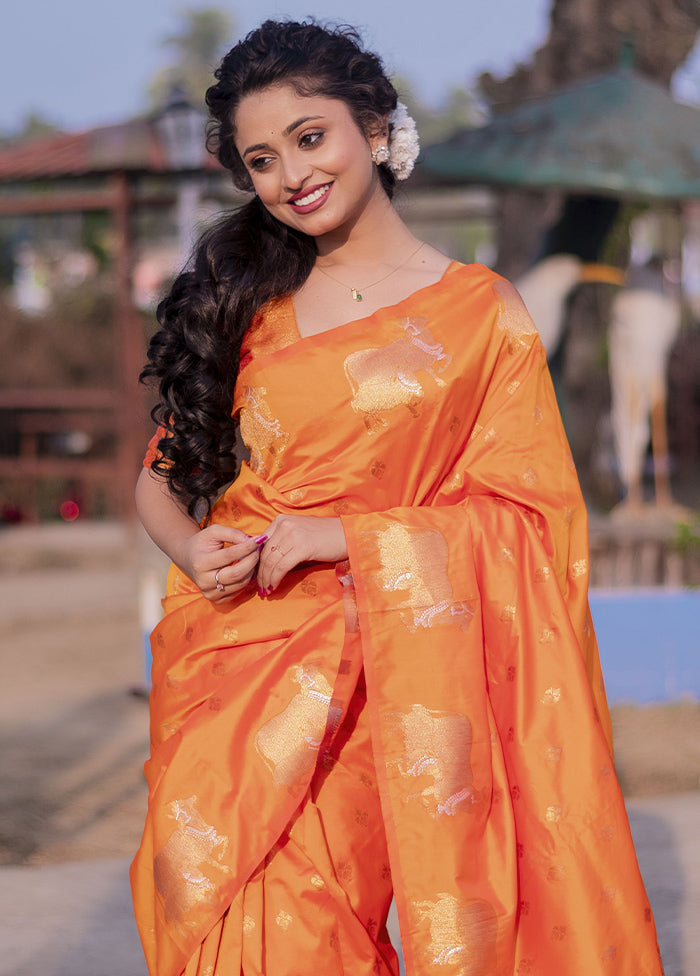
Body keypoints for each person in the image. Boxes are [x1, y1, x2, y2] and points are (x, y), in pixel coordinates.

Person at [130, 20, 664, 976]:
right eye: (261, 160)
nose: (291, 174)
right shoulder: (243, 296)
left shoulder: (478, 315)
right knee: (206, 913)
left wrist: (350, 537)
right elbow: (165, 474)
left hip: (381, 679)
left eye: (309, 136)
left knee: (305, 932)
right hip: (230, 670)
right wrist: (186, 547)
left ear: (373, 128)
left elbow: (533, 524)